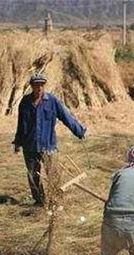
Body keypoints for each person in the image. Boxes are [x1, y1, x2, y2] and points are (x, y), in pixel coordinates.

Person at [13, 74, 87, 206]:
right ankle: (39, 201)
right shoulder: (25, 102)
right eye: (36, 85)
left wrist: (79, 131)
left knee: (53, 175)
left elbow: (66, 117)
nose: (39, 87)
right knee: (33, 175)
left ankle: (56, 201)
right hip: (29, 146)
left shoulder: (52, 101)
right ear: (31, 86)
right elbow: (21, 124)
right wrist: (18, 142)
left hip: (48, 145)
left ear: (44, 86)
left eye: (41, 84)